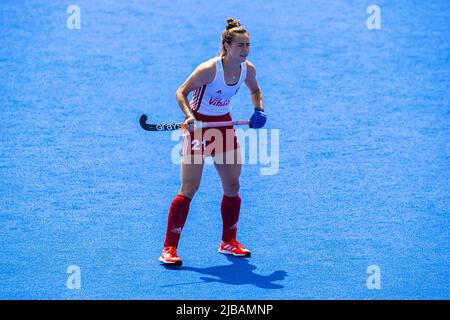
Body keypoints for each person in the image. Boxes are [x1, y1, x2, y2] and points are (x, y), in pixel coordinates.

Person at [159, 18, 267, 266]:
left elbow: (255, 91)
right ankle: (169, 248)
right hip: (199, 128)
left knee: (232, 185)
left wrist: (258, 110)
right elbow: (181, 92)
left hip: (223, 126)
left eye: (248, 45)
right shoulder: (209, 70)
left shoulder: (247, 69)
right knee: (189, 188)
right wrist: (189, 117)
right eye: (240, 45)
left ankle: (228, 241)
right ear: (227, 46)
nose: (245, 50)